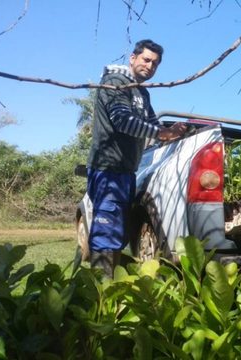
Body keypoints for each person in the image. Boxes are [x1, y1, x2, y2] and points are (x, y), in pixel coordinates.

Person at [87, 39, 188, 277]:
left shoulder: (142, 92)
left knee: (117, 234)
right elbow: (123, 121)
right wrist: (162, 132)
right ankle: (100, 294)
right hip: (108, 170)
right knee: (106, 234)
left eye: (155, 64)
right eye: (146, 60)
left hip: (126, 173)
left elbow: (152, 124)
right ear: (133, 58)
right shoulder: (115, 83)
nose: (150, 66)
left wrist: (175, 131)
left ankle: (110, 289)